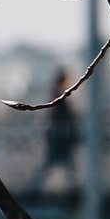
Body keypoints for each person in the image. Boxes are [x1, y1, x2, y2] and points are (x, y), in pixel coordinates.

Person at [28, 69, 82, 197]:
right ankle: (73, 190)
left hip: (58, 136)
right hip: (60, 136)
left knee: (54, 164)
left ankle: (33, 188)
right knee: (64, 164)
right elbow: (63, 115)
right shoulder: (60, 97)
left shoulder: (56, 95)